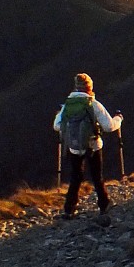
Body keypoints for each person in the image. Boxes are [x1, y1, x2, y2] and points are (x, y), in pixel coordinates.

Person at [53, 73, 122, 220]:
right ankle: (104, 205)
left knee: (75, 176)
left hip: (73, 146)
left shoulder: (68, 105)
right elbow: (109, 126)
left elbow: (57, 126)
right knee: (97, 176)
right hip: (93, 145)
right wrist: (119, 119)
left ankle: (69, 209)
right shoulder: (93, 104)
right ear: (89, 87)